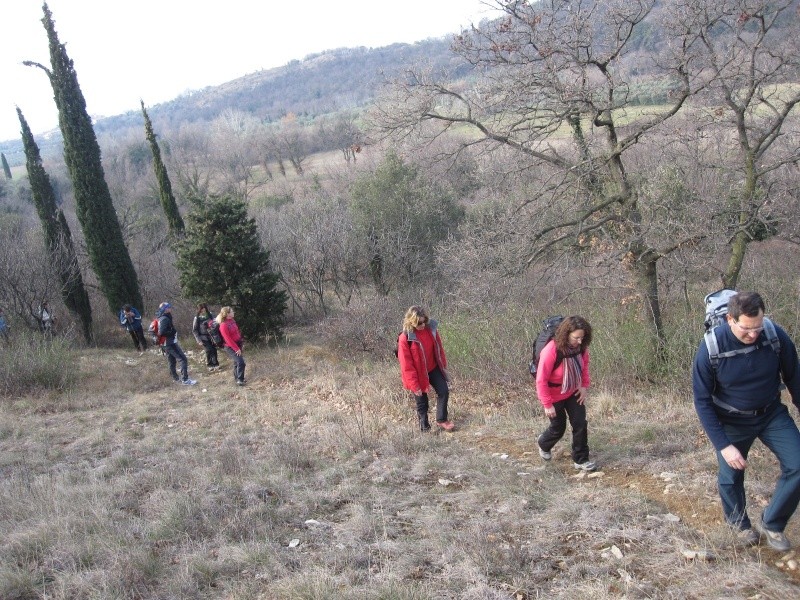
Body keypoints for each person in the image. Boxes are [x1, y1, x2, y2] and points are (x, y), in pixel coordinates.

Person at [693, 291, 800, 550]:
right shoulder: (711, 348)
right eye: (746, 329)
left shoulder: (774, 335)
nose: (753, 335)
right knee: (731, 475)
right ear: (730, 319)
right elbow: (702, 401)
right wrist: (724, 445)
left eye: (758, 327)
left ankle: (772, 523)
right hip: (730, 420)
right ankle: (739, 525)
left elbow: (794, 377)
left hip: (771, 413)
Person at [535, 315, 596, 472]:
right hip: (553, 394)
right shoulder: (551, 351)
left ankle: (581, 459)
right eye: (576, 337)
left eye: (583, 337)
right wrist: (547, 404)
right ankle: (543, 444)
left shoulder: (581, 348)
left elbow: (584, 367)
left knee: (580, 424)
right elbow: (541, 380)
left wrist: (584, 386)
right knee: (558, 428)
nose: (580, 341)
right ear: (566, 334)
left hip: (573, 391)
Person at [398, 306, 454, 432]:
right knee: (422, 402)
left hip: (433, 367)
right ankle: (425, 428)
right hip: (417, 373)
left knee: (443, 391)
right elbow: (406, 365)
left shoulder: (431, 330)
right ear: (411, 322)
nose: (423, 325)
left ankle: (442, 420)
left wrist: (442, 364)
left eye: (425, 321)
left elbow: (439, 347)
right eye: (419, 323)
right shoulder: (405, 338)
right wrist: (414, 385)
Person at [156, 302, 196, 386]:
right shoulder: (165, 318)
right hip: (169, 343)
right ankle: (185, 380)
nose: (170, 308)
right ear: (165, 309)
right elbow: (162, 332)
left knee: (171, 360)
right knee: (183, 359)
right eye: (168, 307)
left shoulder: (162, 317)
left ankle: (175, 378)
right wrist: (172, 332)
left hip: (166, 343)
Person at [217, 306, 246, 386]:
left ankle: (237, 379)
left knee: (236, 362)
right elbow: (228, 339)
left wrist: (241, 341)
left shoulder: (232, 320)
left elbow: (237, 332)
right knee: (241, 362)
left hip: (238, 343)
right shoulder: (223, 325)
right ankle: (240, 379)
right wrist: (236, 349)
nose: (234, 312)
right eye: (232, 311)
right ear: (227, 314)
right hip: (230, 346)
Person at [192, 303, 220, 371]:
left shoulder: (210, 315)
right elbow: (194, 330)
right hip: (203, 337)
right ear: (199, 309)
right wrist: (198, 340)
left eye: (204, 308)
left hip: (212, 336)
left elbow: (216, 323)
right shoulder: (197, 318)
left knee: (214, 349)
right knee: (208, 350)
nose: (203, 310)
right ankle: (210, 365)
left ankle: (216, 364)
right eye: (202, 308)